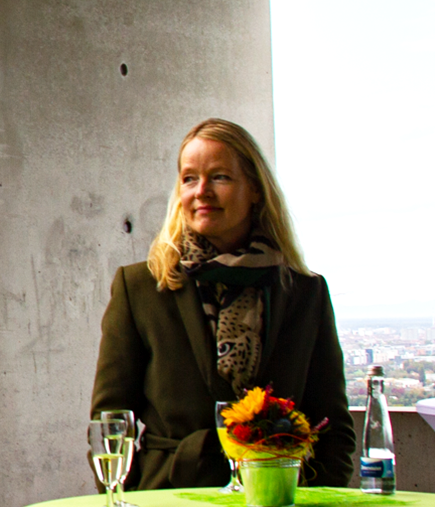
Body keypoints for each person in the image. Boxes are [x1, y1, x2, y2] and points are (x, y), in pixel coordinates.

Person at [91, 117, 354, 488]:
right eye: (189, 178)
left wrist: (320, 505)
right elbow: (110, 417)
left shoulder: (303, 292)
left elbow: (333, 422)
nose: (202, 191)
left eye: (220, 177)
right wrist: (126, 500)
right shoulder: (140, 288)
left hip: (279, 505)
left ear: (255, 189)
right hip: (170, 502)